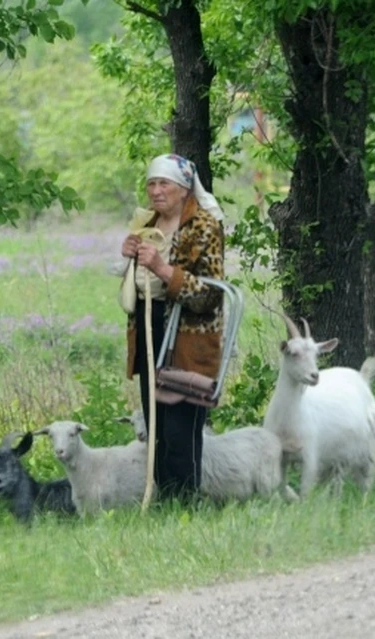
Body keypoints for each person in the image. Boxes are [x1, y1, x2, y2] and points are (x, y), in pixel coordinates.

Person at [120, 153, 226, 502]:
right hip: (151, 332)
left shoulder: (205, 225)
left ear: (183, 188)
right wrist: (127, 257)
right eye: (151, 183)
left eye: (163, 183)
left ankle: (186, 503)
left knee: (181, 429)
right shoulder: (146, 223)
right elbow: (136, 283)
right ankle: (165, 501)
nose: (155, 191)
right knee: (157, 429)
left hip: (188, 340)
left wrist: (164, 270)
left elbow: (210, 295)